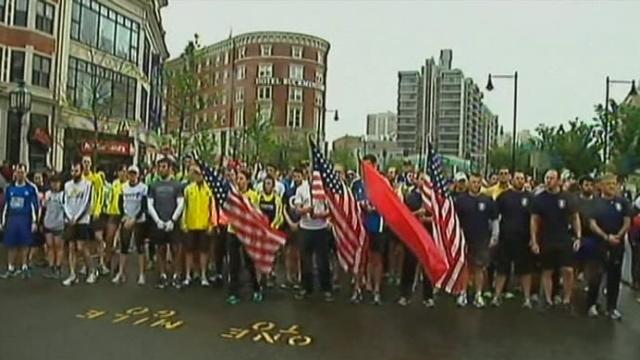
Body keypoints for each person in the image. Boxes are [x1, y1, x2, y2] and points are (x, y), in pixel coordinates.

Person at [530, 169, 581, 309]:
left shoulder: (567, 197)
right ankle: (548, 299)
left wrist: (578, 236)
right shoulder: (539, 199)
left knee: (568, 270)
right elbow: (534, 220)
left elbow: (575, 217)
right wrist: (534, 240)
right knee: (547, 270)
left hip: (564, 238)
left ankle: (567, 298)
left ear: (558, 180)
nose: (548, 180)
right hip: (547, 239)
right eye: (546, 178)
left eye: (552, 178)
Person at [586, 173, 631, 320]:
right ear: (602, 185)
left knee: (614, 276)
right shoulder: (595, 203)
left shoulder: (622, 202)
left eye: (614, 183)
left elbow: (627, 221)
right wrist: (606, 237)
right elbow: (592, 223)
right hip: (599, 244)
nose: (612, 186)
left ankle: (612, 307)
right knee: (596, 276)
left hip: (617, 245)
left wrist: (619, 235)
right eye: (609, 184)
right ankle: (591, 305)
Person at [455, 173, 499, 308]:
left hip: (482, 239)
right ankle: (462, 293)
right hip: (464, 238)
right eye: (473, 182)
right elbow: (455, 220)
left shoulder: (487, 200)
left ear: (481, 183)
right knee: (464, 267)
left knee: (479, 267)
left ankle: (478, 294)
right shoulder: (461, 200)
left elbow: (494, 219)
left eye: (478, 182)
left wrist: (494, 236)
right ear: (469, 183)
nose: (476, 185)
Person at [492, 171, 535, 308]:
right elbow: (495, 217)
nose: (519, 180)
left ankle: (527, 299)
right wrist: (495, 236)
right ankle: (497, 296)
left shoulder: (530, 197)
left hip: (523, 239)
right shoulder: (504, 196)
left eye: (522, 178)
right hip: (505, 238)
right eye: (517, 178)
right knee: (501, 269)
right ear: (512, 179)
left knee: (525, 271)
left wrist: (533, 239)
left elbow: (535, 220)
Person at [293, 168, 334, 302]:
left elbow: (330, 210)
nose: (312, 176)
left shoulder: (324, 190)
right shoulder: (301, 189)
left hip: (320, 229)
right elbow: (297, 210)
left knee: (323, 261)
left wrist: (321, 215)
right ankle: (306, 287)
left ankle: (326, 288)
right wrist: (307, 210)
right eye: (310, 174)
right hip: (305, 228)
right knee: (305, 260)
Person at [397, 172, 435, 308]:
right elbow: (404, 216)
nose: (423, 182)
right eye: (421, 179)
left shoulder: (433, 198)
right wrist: (416, 214)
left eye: (426, 179)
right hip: (413, 237)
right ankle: (405, 295)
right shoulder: (410, 196)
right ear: (416, 180)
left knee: (428, 268)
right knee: (408, 266)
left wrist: (427, 219)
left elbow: (439, 218)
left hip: (429, 236)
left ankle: (428, 296)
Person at [352, 154, 386, 304]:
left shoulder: (382, 183)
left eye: (367, 166)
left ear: (374, 166)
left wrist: (375, 208)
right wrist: (361, 206)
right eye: (362, 166)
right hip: (360, 225)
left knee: (376, 259)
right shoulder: (357, 184)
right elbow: (352, 203)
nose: (364, 169)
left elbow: (387, 205)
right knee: (359, 260)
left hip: (376, 225)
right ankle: (357, 289)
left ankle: (376, 290)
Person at [147, 157, 185, 289]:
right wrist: (157, 220)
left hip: (173, 224)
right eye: (160, 167)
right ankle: (162, 275)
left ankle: (176, 276)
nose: (161, 169)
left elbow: (181, 204)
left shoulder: (177, 185)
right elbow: (149, 204)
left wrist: (173, 220)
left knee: (176, 250)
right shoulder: (153, 185)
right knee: (160, 249)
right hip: (159, 223)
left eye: (164, 167)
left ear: (170, 168)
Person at [226, 170, 262, 304]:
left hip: (247, 233)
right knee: (233, 264)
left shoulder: (253, 195)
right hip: (233, 232)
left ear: (247, 181)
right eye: (238, 178)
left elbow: (256, 214)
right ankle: (233, 292)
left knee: (249, 263)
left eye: (242, 179)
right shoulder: (233, 195)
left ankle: (256, 289)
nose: (239, 181)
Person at [0, 164, 39, 279]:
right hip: (12, 219)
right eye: (18, 172)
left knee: (25, 244)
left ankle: (24, 267)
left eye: (22, 172)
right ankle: (11, 268)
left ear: (26, 173)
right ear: (15, 173)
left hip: (25, 219)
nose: (20, 174)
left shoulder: (31, 189)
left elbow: (34, 206)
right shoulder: (10, 188)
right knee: (10, 244)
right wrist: (2, 221)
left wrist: (34, 222)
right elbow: (6, 206)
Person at [112, 166, 148, 285]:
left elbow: (144, 206)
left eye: (134, 174)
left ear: (138, 175)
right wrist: (125, 217)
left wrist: (134, 219)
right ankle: (121, 273)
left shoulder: (143, 188)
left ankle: (142, 274)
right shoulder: (124, 187)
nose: (132, 176)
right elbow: (120, 203)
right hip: (126, 219)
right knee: (124, 247)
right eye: (130, 174)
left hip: (139, 220)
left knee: (140, 247)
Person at [182, 164, 217, 287]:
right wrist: (184, 223)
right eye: (195, 174)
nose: (198, 176)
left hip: (204, 225)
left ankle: (203, 275)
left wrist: (212, 225)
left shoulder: (209, 190)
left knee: (203, 252)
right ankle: (188, 275)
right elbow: (184, 208)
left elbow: (212, 209)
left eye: (200, 174)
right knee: (189, 251)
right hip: (190, 225)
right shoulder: (188, 189)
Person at [62, 161, 95, 286]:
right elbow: (65, 202)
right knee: (71, 247)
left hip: (82, 220)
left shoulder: (87, 185)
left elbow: (86, 203)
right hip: (70, 220)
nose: (74, 173)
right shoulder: (67, 185)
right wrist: (70, 217)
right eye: (72, 171)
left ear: (81, 171)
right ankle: (72, 274)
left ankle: (91, 271)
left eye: (76, 171)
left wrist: (77, 217)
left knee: (81, 247)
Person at [81, 156, 108, 277]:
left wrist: (97, 210)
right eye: (84, 162)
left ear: (91, 164)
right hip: (83, 214)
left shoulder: (96, 178)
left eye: (88, 162)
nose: (86, 164)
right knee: (85, 240)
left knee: (98, 238)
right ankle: (85, 264)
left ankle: (101, 263)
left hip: (95, 213)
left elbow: (100, 194)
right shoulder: (80, 178)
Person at [257, 175, 284, 288]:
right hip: (261, 230)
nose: (267, 186)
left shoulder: (277, 199)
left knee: (272, 254)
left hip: (272, 230)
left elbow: (279, 215)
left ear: (273, 186)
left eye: (269, 183)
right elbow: (256, 211)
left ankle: (270, 273)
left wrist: (273, 226)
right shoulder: (259, 197)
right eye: (265, 183)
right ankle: (260, 277)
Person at [103, 165, 128, 274]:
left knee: (121, 242)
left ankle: (119, 265)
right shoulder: (114, 184)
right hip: (113, 214)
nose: (122, 173)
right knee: (109, 239)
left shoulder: (128, 186)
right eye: (120, 171)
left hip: (124, 215)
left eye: (124, 171)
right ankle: (107, 261)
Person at [281, 168, 303, 290]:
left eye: (298, 176)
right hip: (289, 225)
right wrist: (290, 222)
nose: (296, 178)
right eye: (295, 176)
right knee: (289, 251)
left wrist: (299, 223)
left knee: (300, 252)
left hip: (302, 225)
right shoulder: (288, 191)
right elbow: (283, 208)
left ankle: (300, 276)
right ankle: (289, 276)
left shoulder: (305, 191)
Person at [42, 174, 65, 279]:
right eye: (53, 183)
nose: (55, 185)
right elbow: (43, 206)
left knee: (58, 246)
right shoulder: (47, 194)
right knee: (50, 245)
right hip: (48, 223)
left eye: (57, 183)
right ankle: (51, 267)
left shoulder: (63, 195)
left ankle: (58, 267)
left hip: (59, 224)